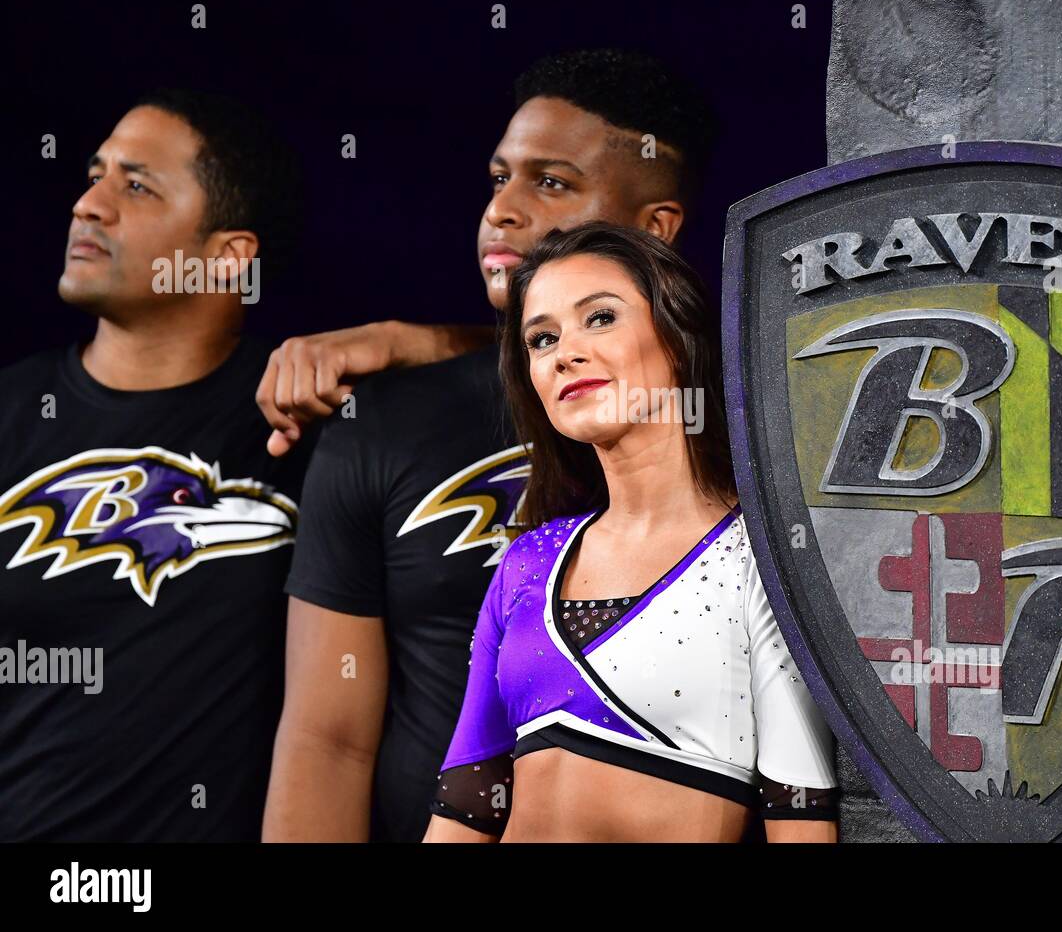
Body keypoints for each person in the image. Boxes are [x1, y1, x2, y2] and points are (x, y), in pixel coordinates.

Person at [261, 50, 719, 842]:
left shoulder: (738, 422)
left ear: (657, 228)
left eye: (552, 182)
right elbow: (324, 741)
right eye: (498, 177)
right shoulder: (385, 421)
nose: (501, 210)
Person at [424, 223, 838, 843]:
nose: (565, 352)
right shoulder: (528, 559)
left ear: (676, 334)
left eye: (599, 319)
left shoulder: (761, 552)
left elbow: (801, 816)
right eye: (542, 339)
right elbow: (465, 808)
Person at [0, 89, 311, 840]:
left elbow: (517, 365)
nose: (87, 204)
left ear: (226, 257)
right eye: (95, 173)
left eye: (135, 185)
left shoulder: (308, 418)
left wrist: (394, 344)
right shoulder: (11, 411)